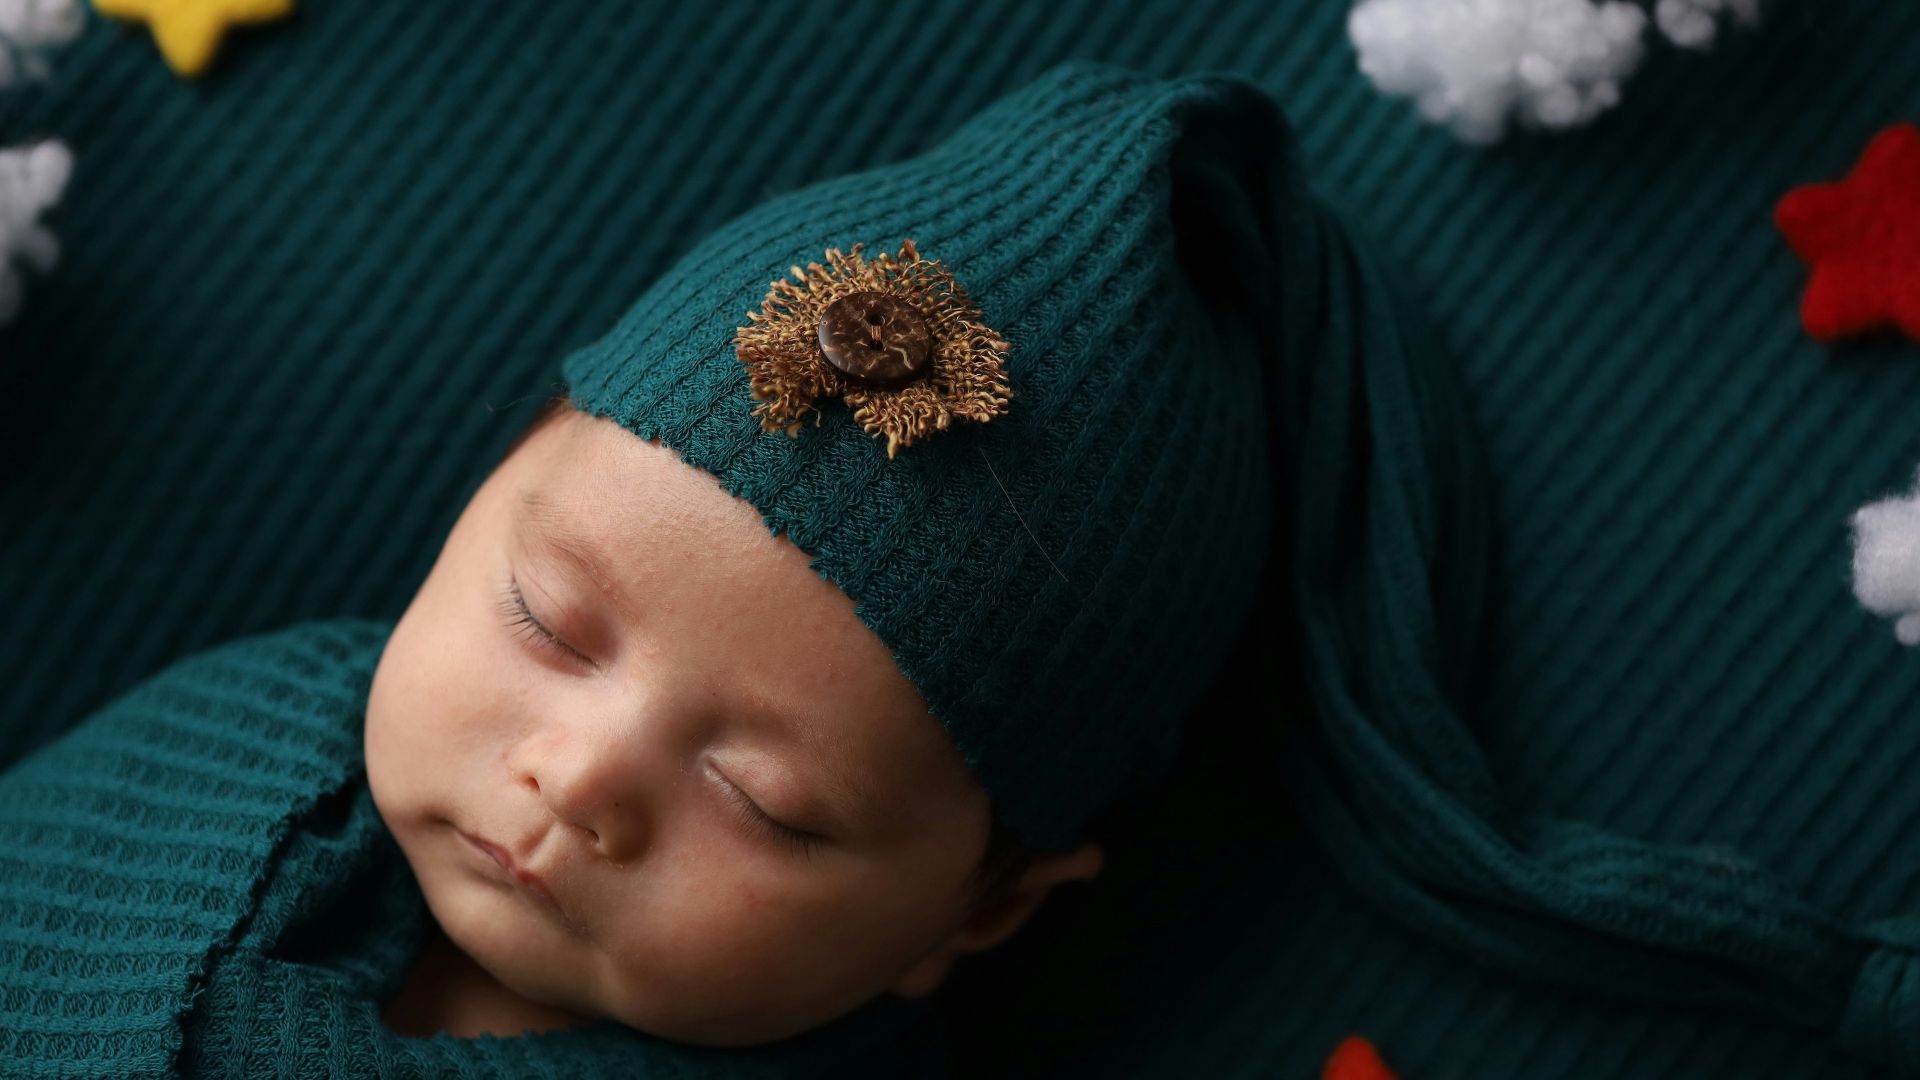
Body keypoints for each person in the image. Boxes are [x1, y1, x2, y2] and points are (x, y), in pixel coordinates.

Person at [1, 58, 1438, 1075]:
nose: (581, 774)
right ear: (481, 496)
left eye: (764, 801)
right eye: (546, 622)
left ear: (976, 910)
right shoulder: (212, 758)